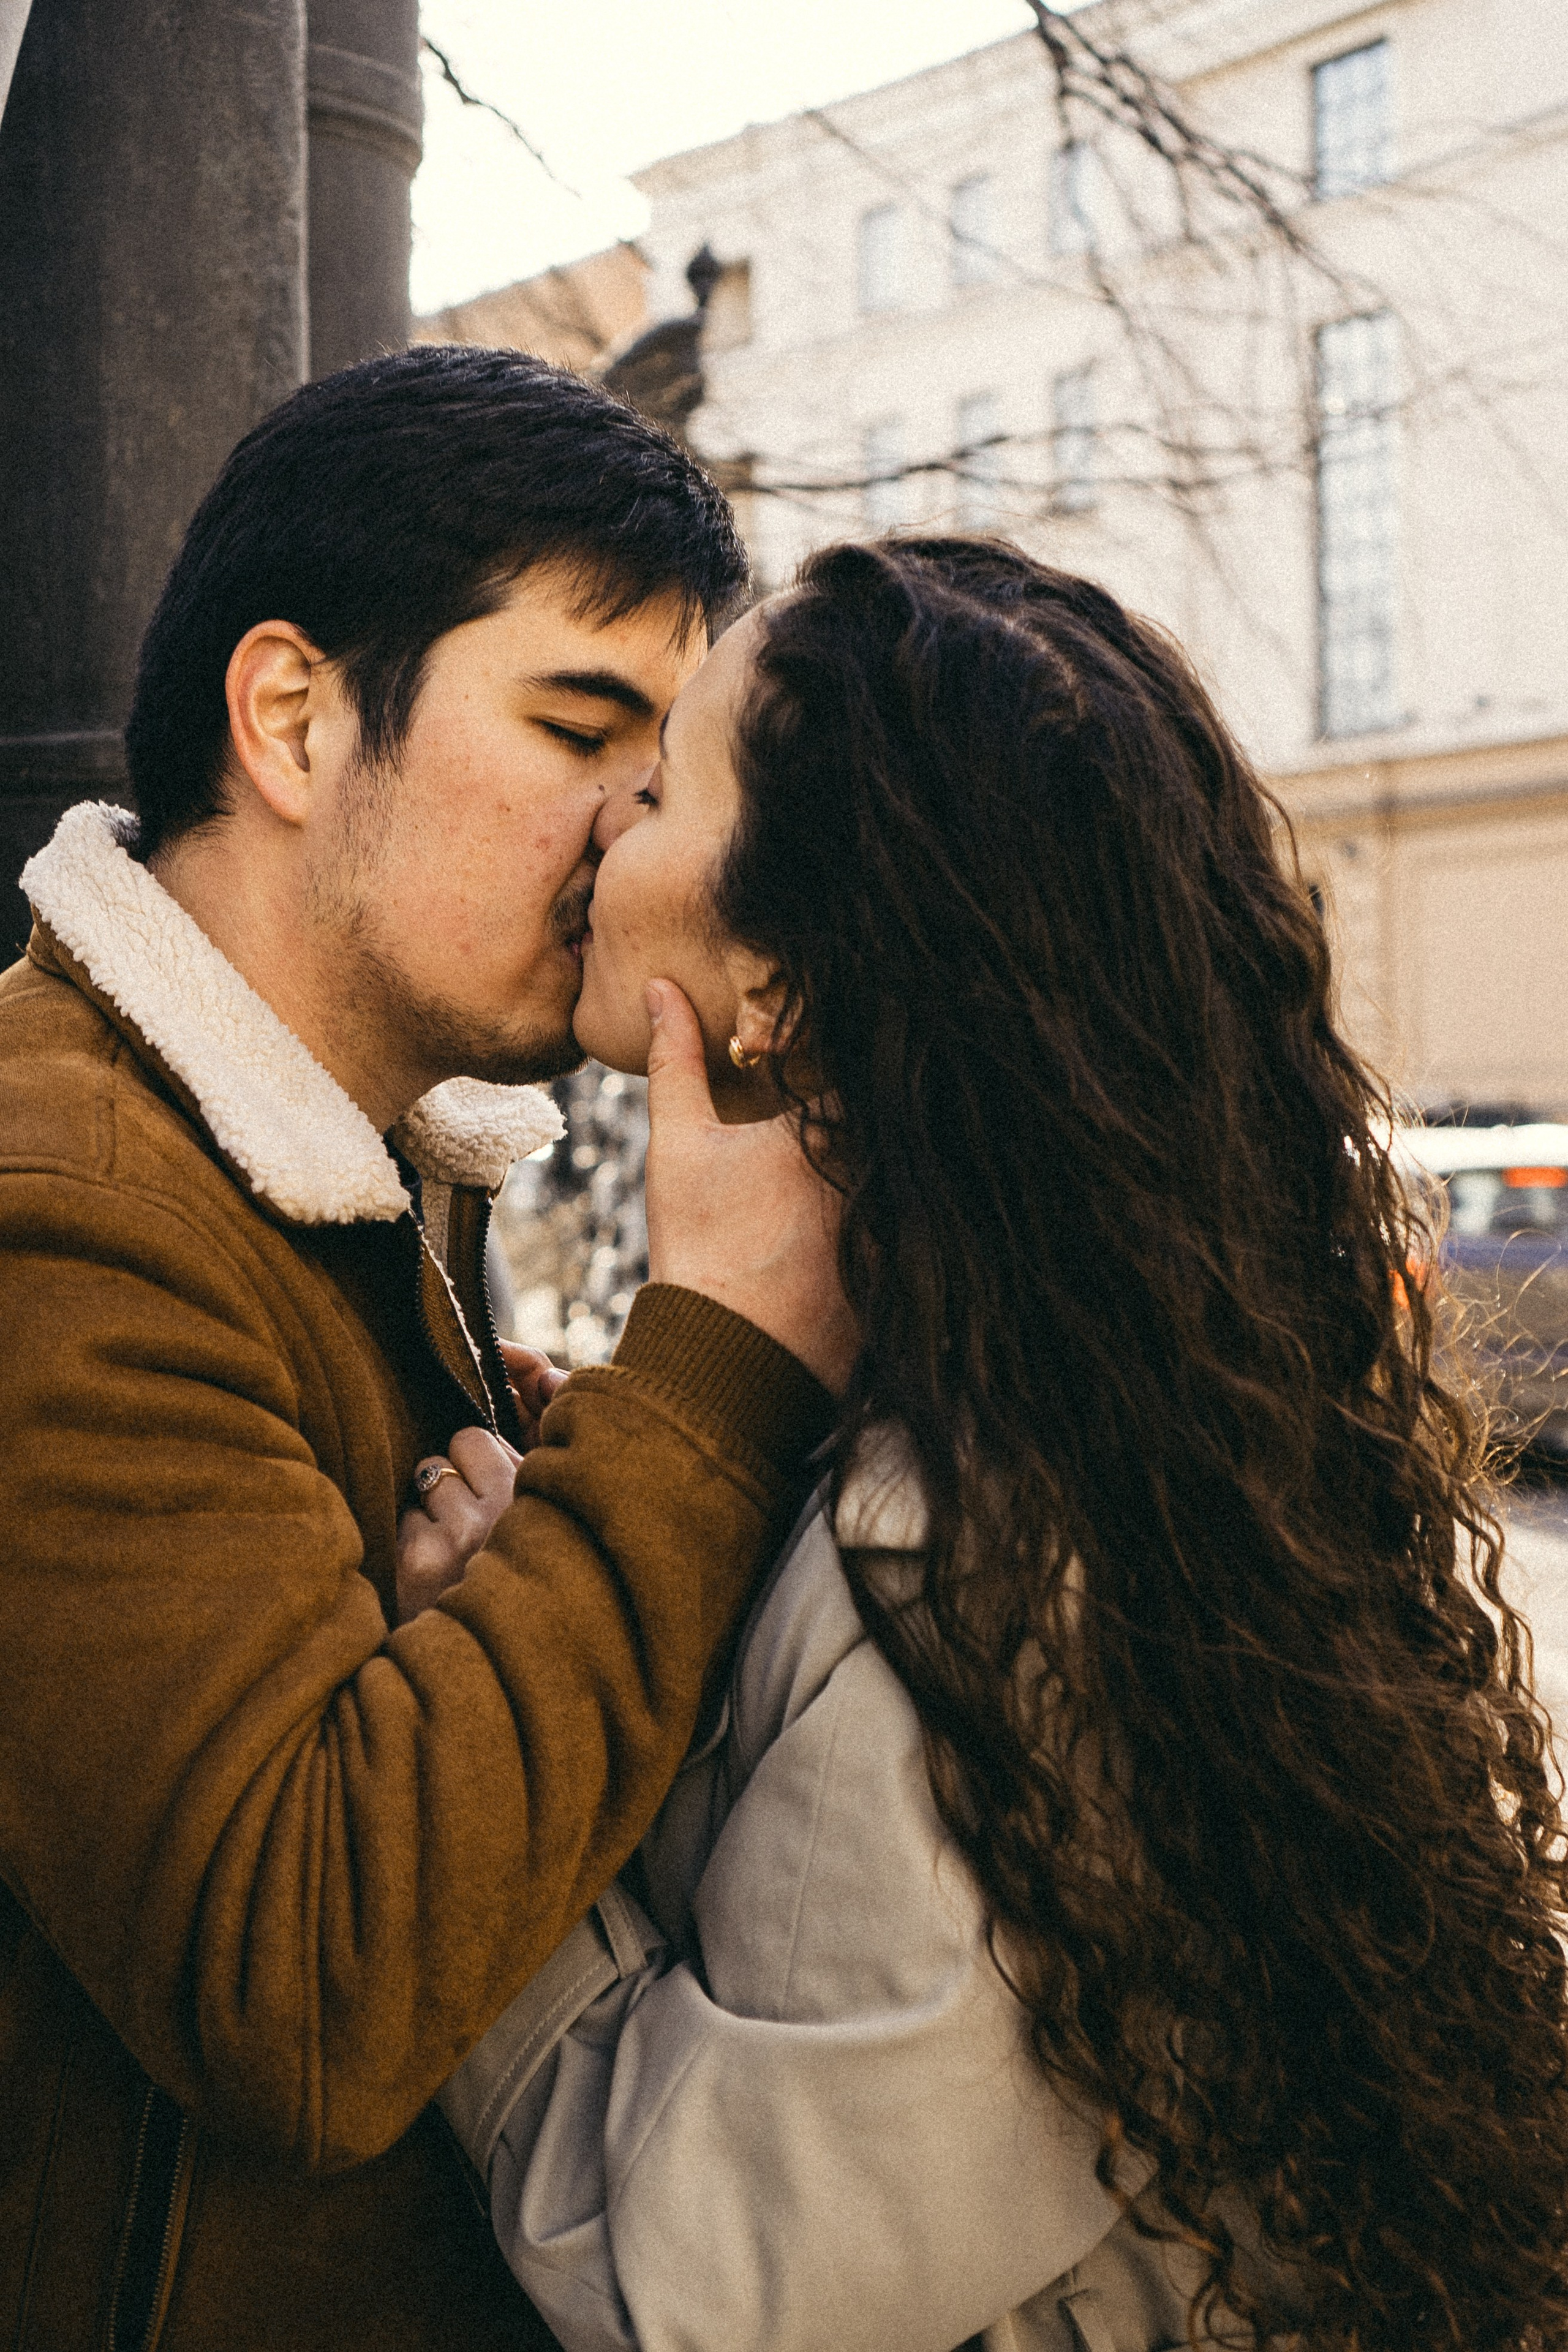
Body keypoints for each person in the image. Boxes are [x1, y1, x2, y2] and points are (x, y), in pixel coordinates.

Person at [421, 538, 1568, 2352]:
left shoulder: (977, 1562)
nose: (597, 826)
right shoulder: (1044, 1410)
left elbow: (701, 2297)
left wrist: (479, 1714)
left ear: (784, 981)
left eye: (658, 787)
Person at [0, 347, 856, 2352]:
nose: (644, 835)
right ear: (294, 718)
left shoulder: (362, 1187)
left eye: (671, 768)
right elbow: (302, 1985)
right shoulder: (76, 1206)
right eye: (584, 729)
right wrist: (715, 1370)